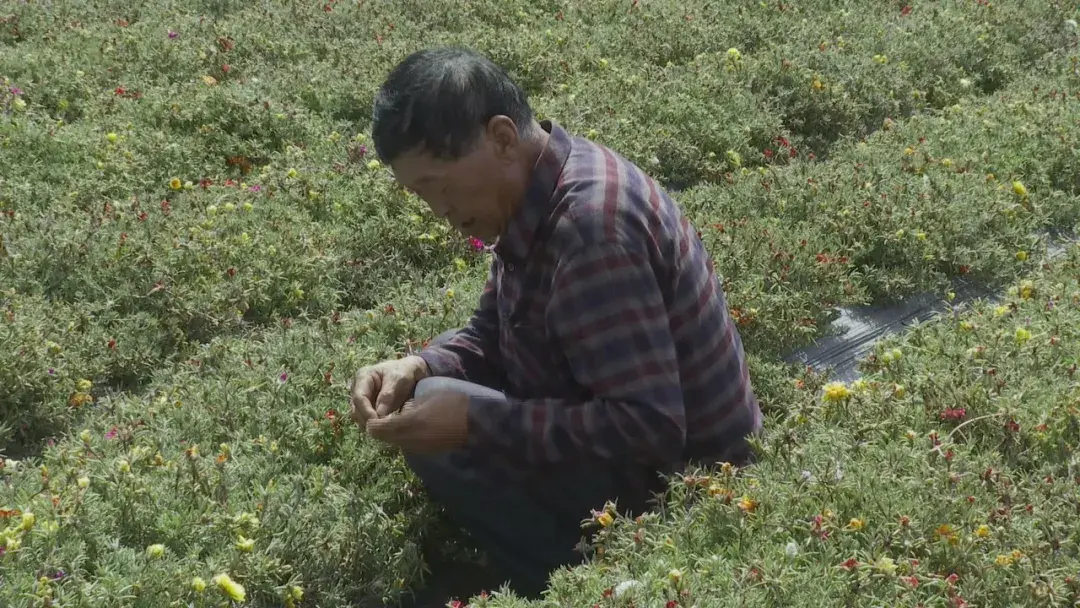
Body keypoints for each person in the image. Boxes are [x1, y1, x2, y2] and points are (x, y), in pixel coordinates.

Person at [349, 46, 762, 599]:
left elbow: (651, 428)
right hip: (647, 458)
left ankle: (575, 583)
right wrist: (418, 362)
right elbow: (494, 331)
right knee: (429, 389)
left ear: (500, 137)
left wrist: (474, 424)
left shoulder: (592, 228)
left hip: (691, 494)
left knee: (447, 437)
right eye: (419, 194)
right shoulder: (538, 193)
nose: (437, 211)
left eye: (438, 185)